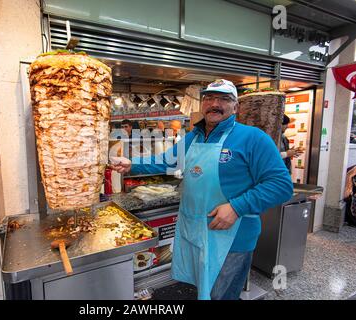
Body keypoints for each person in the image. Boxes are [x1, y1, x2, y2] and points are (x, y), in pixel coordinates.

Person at [109, 79, 293, 300]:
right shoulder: (193, 137)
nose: (214, 103)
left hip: (232, 238)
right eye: (209, 98)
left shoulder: (253, 138)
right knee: (203, 290)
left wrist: (236, 207)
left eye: (223, 99)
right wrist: (132, 164)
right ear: (202, 104)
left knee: (221, 295)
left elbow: (282, 185)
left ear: (236, 107)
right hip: (196, 231)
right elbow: (167, 160)